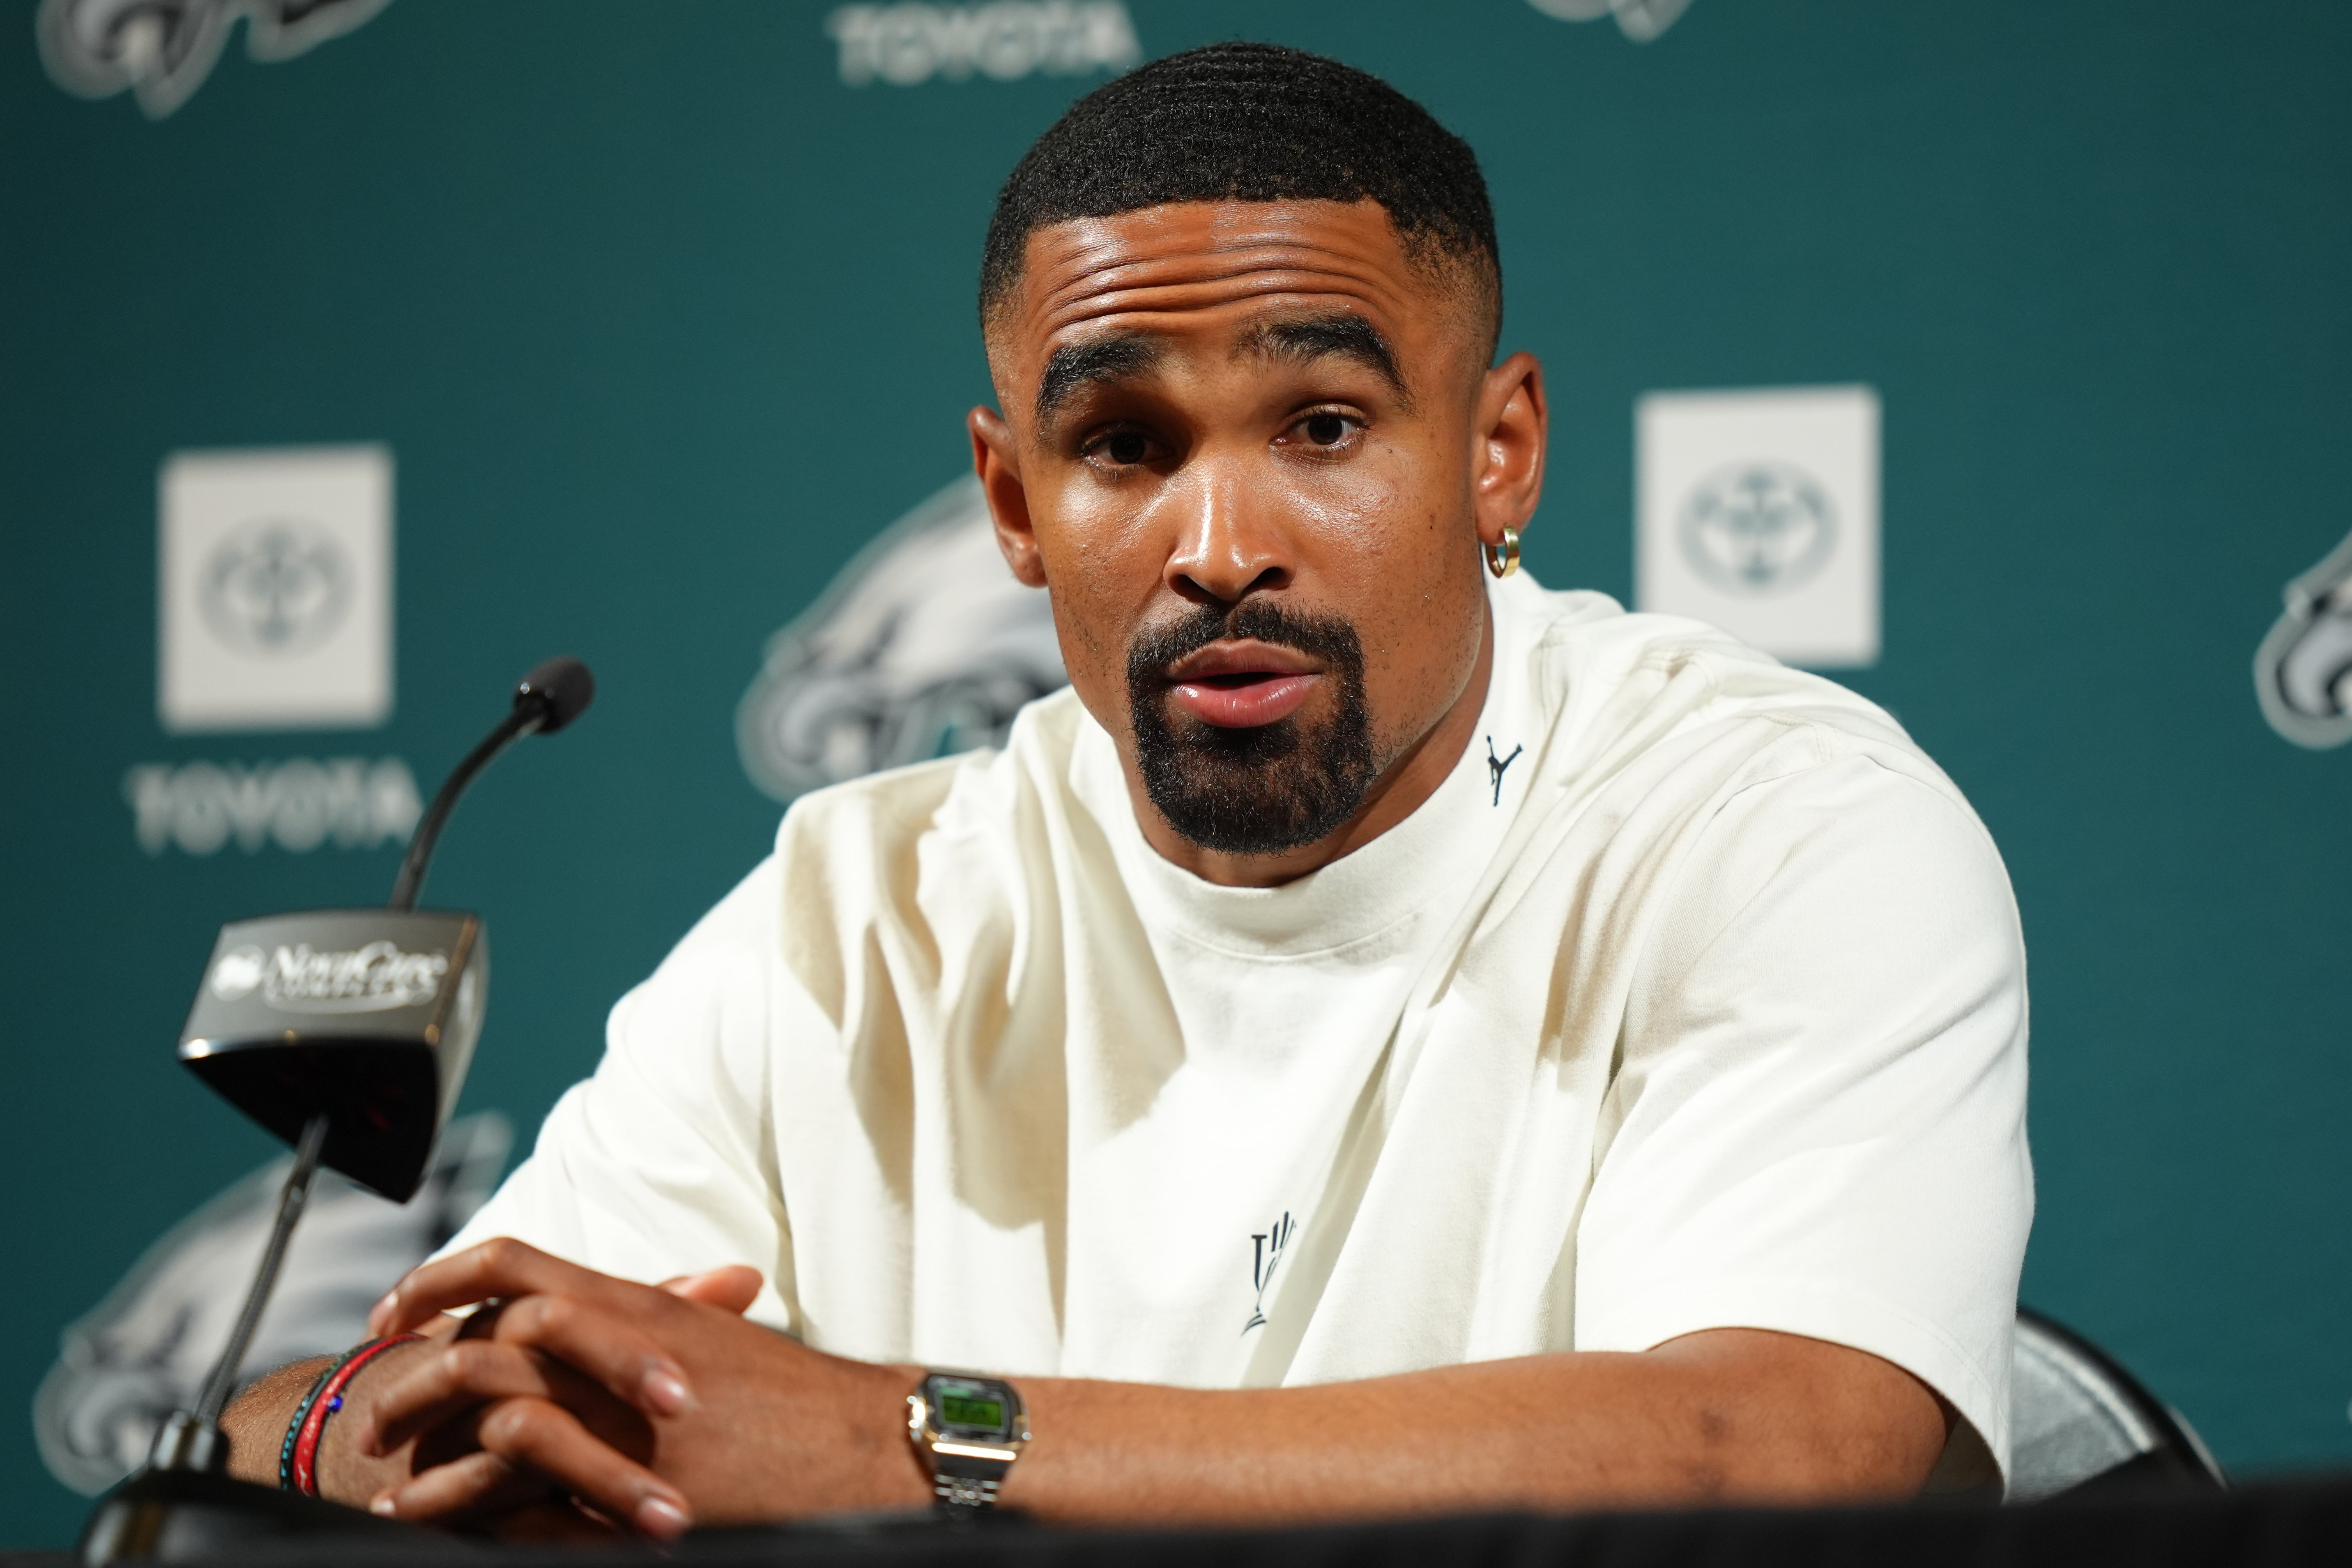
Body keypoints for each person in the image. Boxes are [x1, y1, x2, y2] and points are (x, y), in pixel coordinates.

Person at [225, 42, 2030, 1538]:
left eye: (1322, 424)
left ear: (1498, 451)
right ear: (1013, 507)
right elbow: (319, 1404)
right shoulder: (862, 912)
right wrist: (377, 1432)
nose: (1221, 544)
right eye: (1123, 448)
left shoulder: (1769, 828)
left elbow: (1782, 1440)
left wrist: (907, 1435)